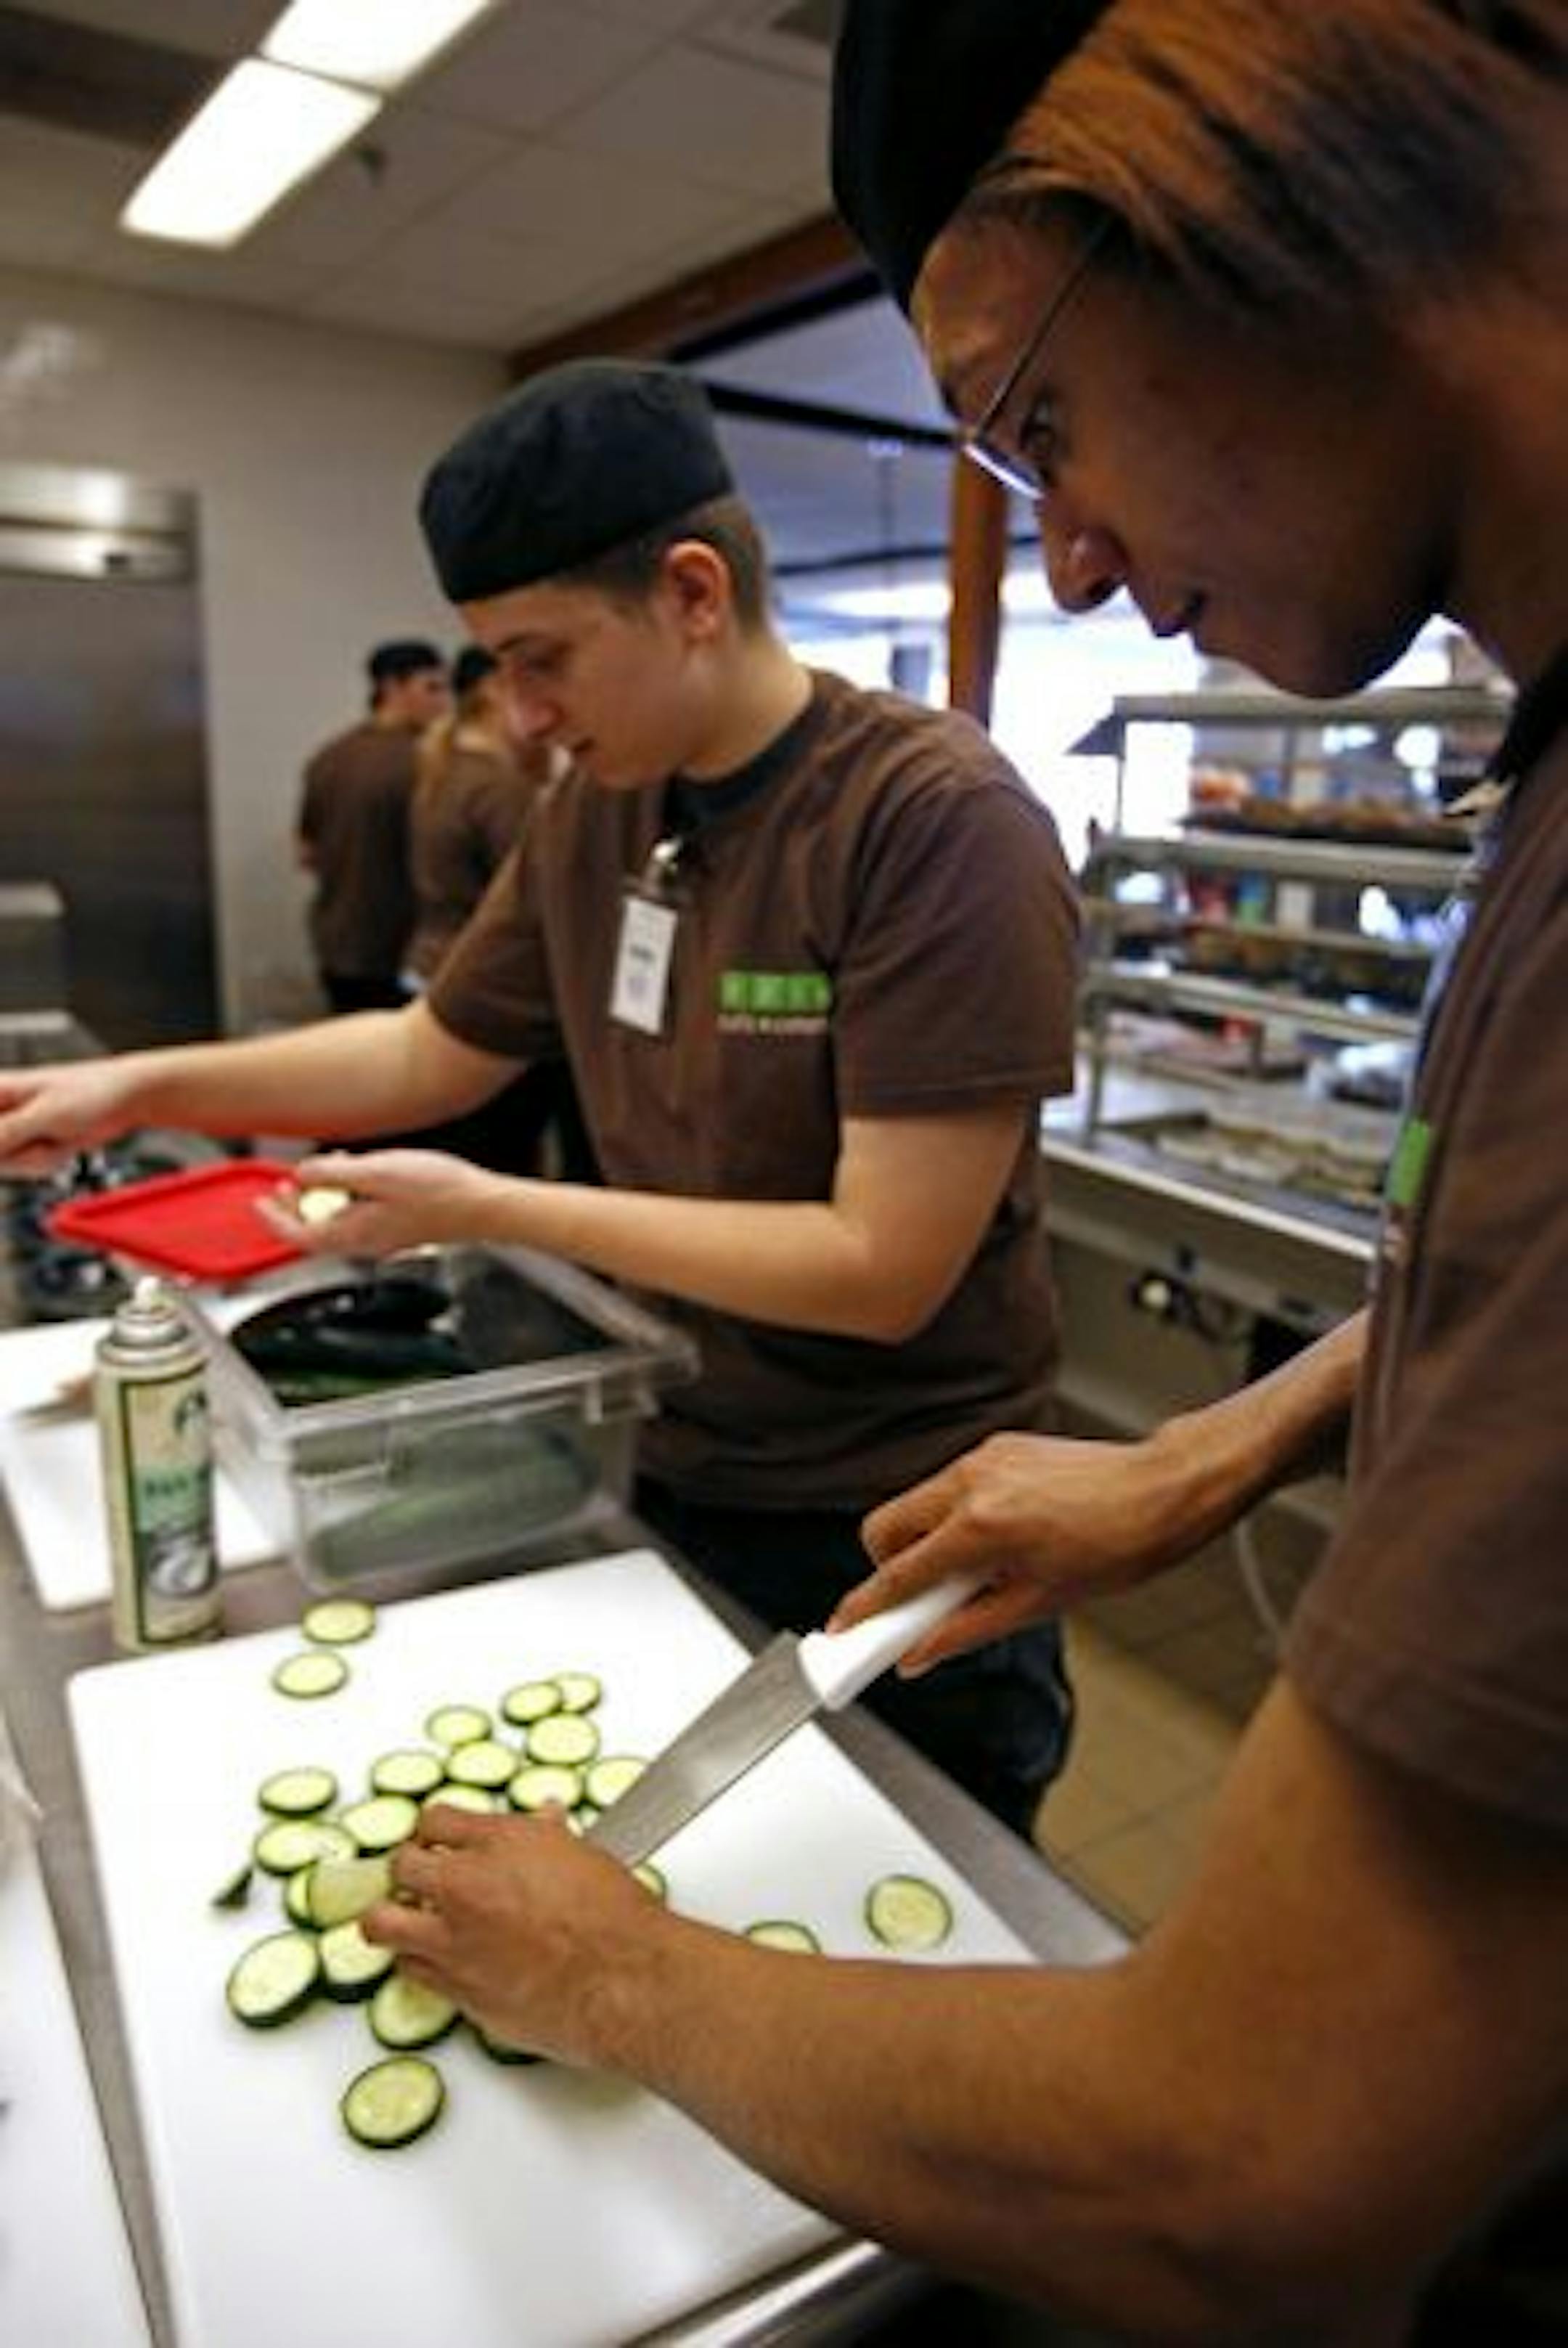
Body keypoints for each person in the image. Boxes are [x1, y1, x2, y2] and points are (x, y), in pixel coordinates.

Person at [361, 7, 1567, 2341]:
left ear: (1296, 172)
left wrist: (618, 1972)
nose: (1081, 560)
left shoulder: (930, 817)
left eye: (1045, 423)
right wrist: (1211, 1448)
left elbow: (1250, 2157)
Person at [0, 357, 1081, 1838]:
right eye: (496, 666)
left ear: (693, 593)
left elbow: (880, 1268)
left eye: (542, 657)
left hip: (895, 1522)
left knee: (920, 1905)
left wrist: (492, 1202)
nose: (517, 717)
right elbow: (426, 1054)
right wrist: (138, 1082)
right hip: (675, 1458)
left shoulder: (931, 823)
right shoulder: (603, 811)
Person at [401, 643, 595, 1181]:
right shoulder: (498, 788)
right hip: (487, 981)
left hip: (431, 960)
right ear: (495, 688)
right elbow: (550, 910)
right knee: (498, 1157)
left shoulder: (441, 769)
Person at [296, 637, 448, 1014]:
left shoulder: (328, 758)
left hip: (337, 947)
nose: (444, 701)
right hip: (398, 951)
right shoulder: (428, 764)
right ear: (391, 687)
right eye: (431, 687)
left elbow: (305, 852)